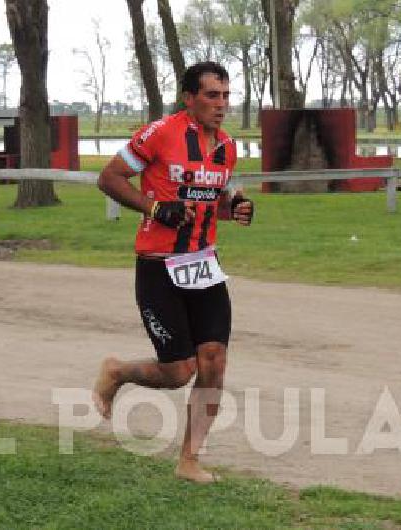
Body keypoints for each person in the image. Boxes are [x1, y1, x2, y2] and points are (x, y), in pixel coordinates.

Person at [93, 61, 254, 483]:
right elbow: (109, 178)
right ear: (189, 98)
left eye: (226, 96)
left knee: (214, 361)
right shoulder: (161, 132)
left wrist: (232, 207)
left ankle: (190, 460)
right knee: (179, 371)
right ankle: (116, 371)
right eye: (212, 96)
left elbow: (209, 199)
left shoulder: (227, 147)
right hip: (158, 266)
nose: (221, 105)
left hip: (204, 265)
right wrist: (153, 207)